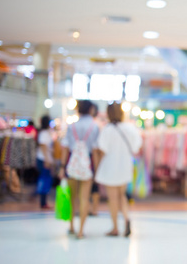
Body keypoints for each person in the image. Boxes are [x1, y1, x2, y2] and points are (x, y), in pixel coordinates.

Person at [95, 102, 142, 237]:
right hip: (125, 165)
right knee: (122, 196)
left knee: (113, 198)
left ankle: (115, 227)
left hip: (110, 166)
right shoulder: (130, 128)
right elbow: (137, 147)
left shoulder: (107, 130)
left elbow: (102, 149)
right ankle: (126, 219)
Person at [60, 100, 100, 239]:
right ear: (90, 110)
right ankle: (81, 231)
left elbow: (65, 148)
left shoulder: (72, 126)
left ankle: (71, 225)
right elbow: (95, 150)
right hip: (87, 163)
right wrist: (97, 169)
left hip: (72, 162)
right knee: (84, 198)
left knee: (72, 197)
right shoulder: (94, 127)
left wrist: (62, 166)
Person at [36, 115, 54, 210]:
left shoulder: (45, 132)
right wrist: (47, 159)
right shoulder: (44, 133)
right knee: (44, 180)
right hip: (43, 160)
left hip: (45, 159)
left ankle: (44, 202)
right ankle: (43, 202)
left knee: (46, 180)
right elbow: (43, 146)